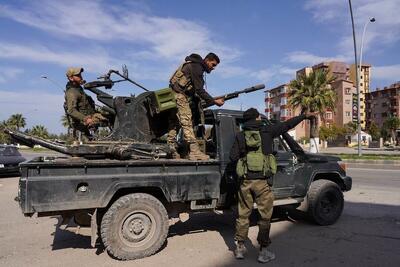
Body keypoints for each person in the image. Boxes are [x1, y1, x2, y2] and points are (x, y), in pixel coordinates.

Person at [229, 107, 316, 263]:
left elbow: (232, 156)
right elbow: (287, 125)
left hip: (245, 182)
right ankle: (263, 251)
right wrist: (304, 116)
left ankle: (240, 249)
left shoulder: (240, 136)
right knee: (264, 217)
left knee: (243, 215)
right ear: (256, 118)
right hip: (263, 182)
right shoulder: (267, 131)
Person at [167, 53, 225, 160]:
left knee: (174, 122)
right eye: (213, 65)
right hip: (179, 96)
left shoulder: (192, 65)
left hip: (172, 95)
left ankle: (171, 149)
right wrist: (214, 101)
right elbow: (199, 90)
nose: (213, 68)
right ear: (207, 61)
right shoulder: (197, 67)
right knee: (187, 120)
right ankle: (194, 151)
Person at [64, 67, 107, 140]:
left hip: (91, 116)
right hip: (82, 123)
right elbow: (71, 111)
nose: (81, 77)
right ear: (71, 78)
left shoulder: (79, 90)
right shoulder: (71, 92)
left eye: (80, 75)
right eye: (78, 76)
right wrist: (86, 119)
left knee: (113, 117)